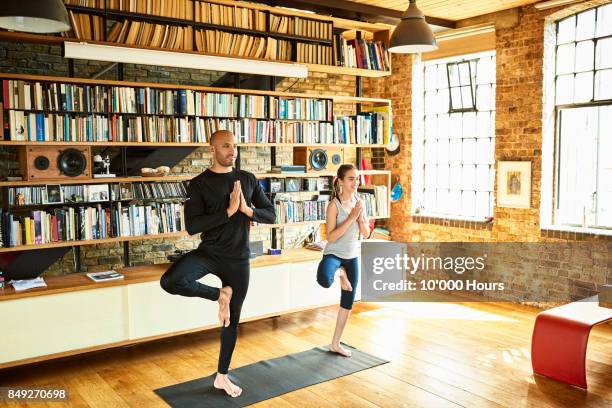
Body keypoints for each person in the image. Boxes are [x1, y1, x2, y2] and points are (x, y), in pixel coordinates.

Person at [160, 130, 275, 397]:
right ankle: (219, 295)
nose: (231, 150)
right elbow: (192, 226)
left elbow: (270, 212)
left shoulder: (247, 179)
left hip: (238, 260)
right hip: (209, 253)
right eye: (225, 146)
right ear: (212, 150)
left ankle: (222, 376)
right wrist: (228, 212)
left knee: (230, 322)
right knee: (171, 281)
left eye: (234, 146)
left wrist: (247, 210)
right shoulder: (199, 184)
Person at [316, 164, 370, 357]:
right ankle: (340, 273)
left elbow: (366, 233)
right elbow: (330, 237)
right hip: (334, 254)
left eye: (357, 179)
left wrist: (361, 217)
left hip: (351, 257)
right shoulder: (334, 205)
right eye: (351, 179)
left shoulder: (360, 202)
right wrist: (351, 217)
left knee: (347, 303)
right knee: (324, 279)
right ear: (340, 181)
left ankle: (335, 344)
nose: (355, 183)